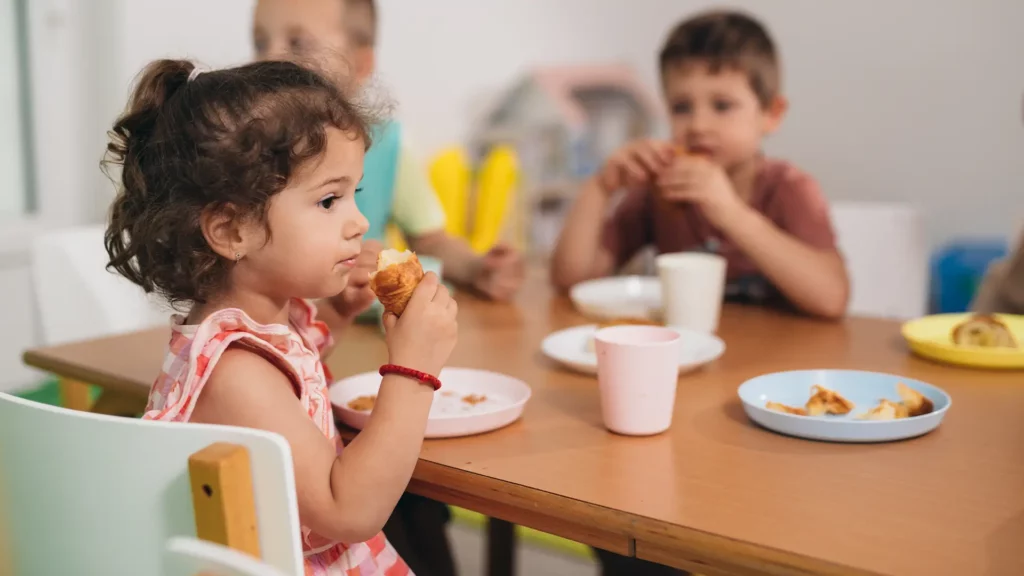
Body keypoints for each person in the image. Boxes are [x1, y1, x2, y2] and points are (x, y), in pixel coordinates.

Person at [104, 58, 458, 574]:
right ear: (230, 232)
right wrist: (414, 369)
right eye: (329, 200)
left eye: (353, 195)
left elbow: (295, 387)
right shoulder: (236, 374)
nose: (358, 222)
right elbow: (349, 509)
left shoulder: (253, 326)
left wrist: (334, 316)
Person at [551, 10, 849, 321]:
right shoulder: (662, 189)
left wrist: (730, 212)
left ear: (771, 113)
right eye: (681, 107)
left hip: (777, 361)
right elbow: (571, 280)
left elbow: (832, 299)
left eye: (722, 105)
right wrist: (601, 187)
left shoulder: (789, 188)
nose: (698, 125)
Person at [253, 0, 524, 311]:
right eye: (261, 42)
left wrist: (477, 269)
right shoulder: (242, 148)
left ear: (361, 64)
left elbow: (431, 241)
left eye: (297, 43)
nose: (268, 58)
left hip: (356, 336)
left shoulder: (387, 146)